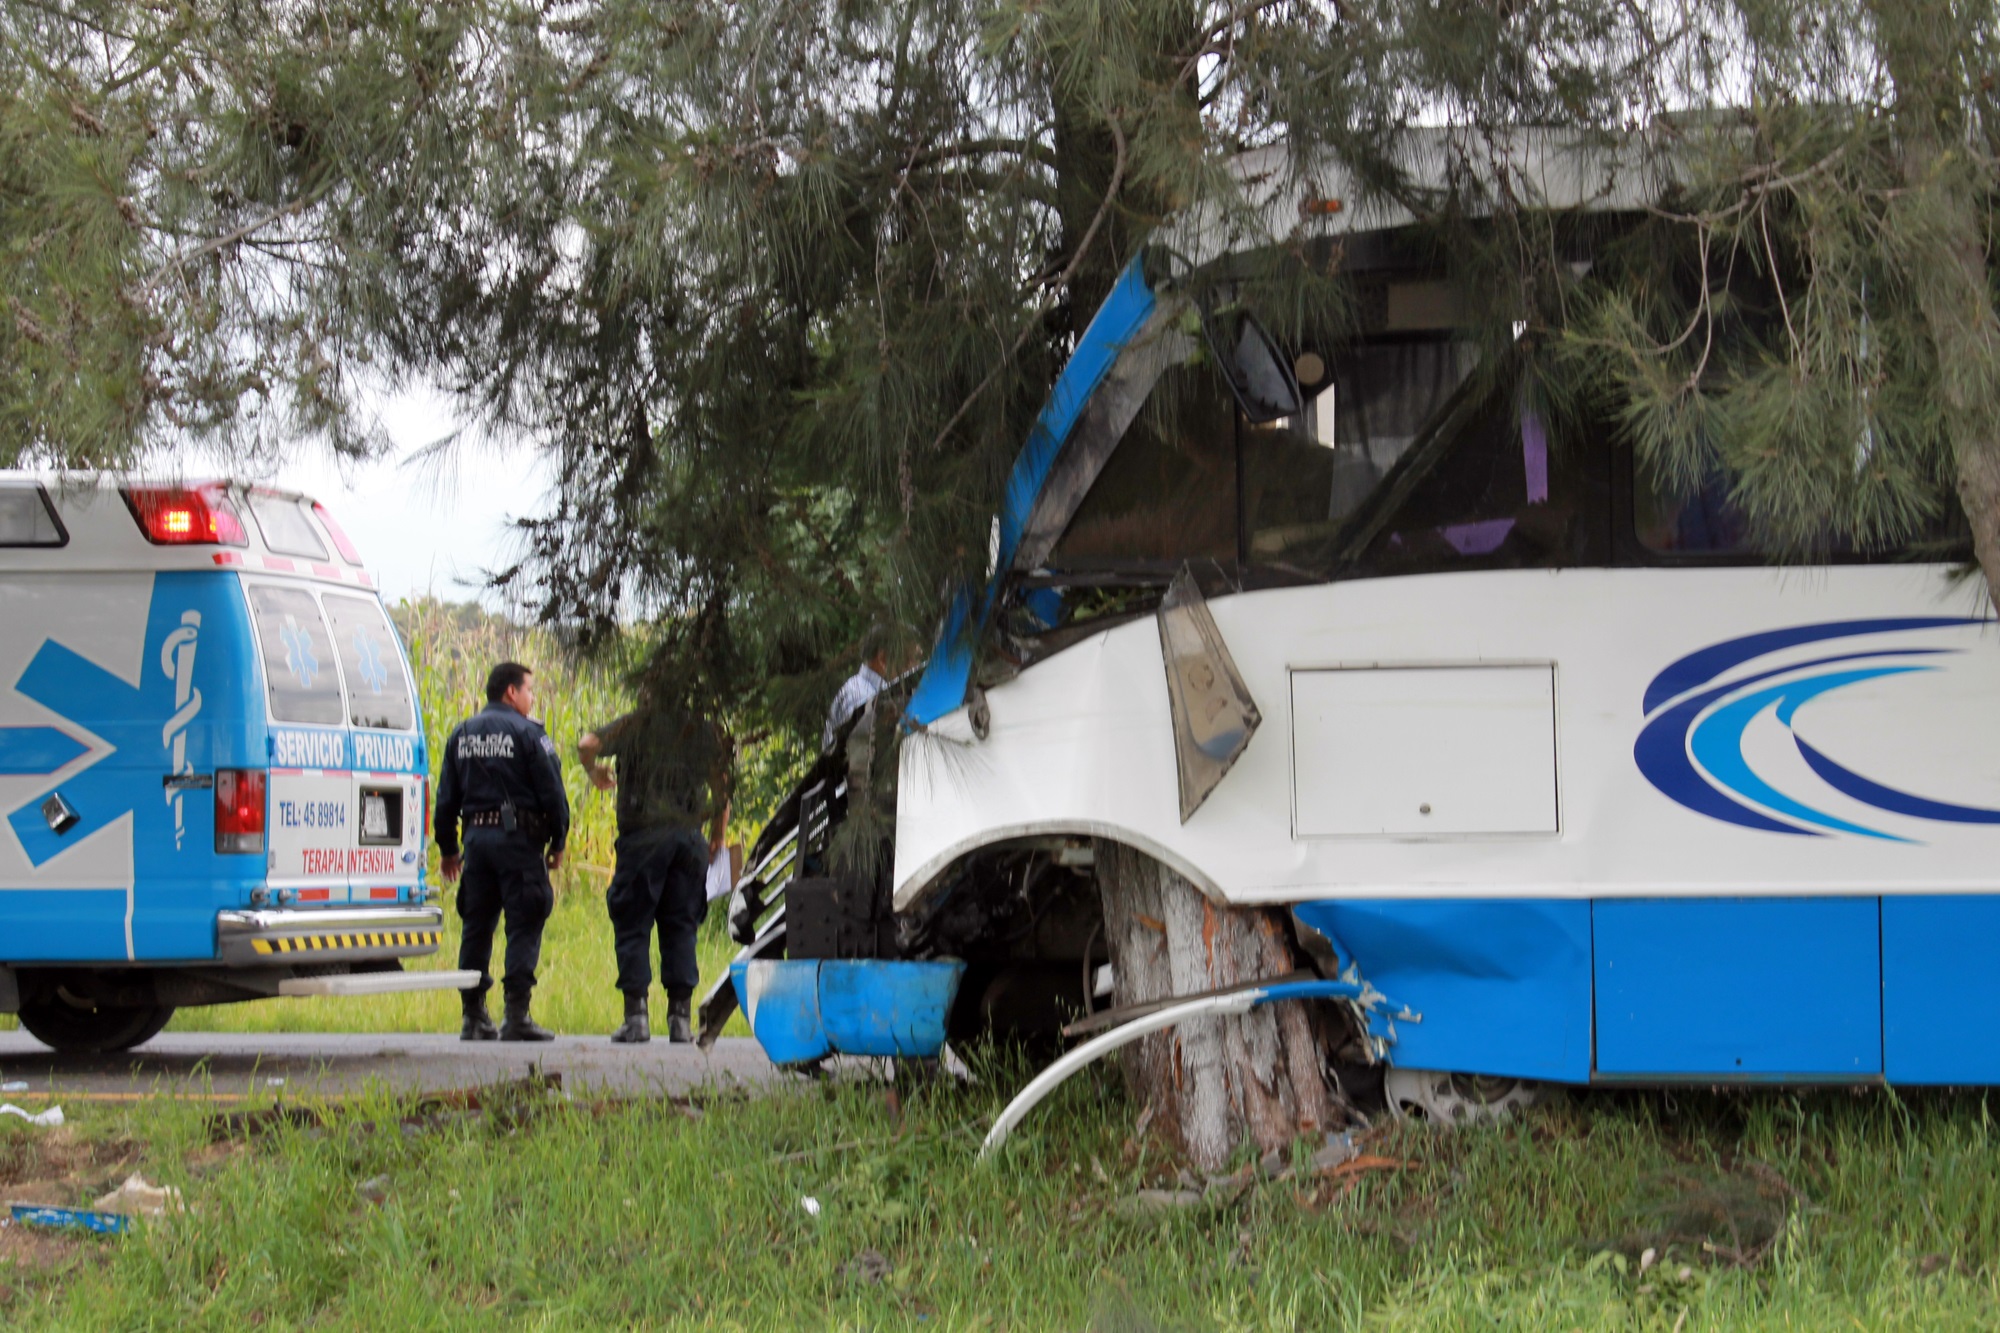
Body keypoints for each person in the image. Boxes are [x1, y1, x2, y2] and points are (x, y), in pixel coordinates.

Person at [579, 686, 732, 1044]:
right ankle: (680, 1021)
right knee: (681, 925)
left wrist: (593, 771)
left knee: (633, 923)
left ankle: (637, 1019)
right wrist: (717, 837)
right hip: (687, 838)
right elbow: (723, 787)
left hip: (643, 838)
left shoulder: (634, 725)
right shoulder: (703, 730)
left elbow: (587, 744)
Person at [434, 661, 571, 1042]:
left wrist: (448, 850)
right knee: (525, 919)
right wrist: (558, 841)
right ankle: (516, 1014)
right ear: (511, 692)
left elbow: (446, 800)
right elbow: (553, 792)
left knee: (476, 926)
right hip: (519, 842)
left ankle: (473, 1016)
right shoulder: (529, 734)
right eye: (528, 691)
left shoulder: (461, 734)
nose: (531, 699)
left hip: (476, 843)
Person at [822, 628, 890, 752]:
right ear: (883, 659)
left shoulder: (866, 689)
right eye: (912, 658)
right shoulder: (861, 696)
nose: (915, 667)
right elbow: (860, 757)